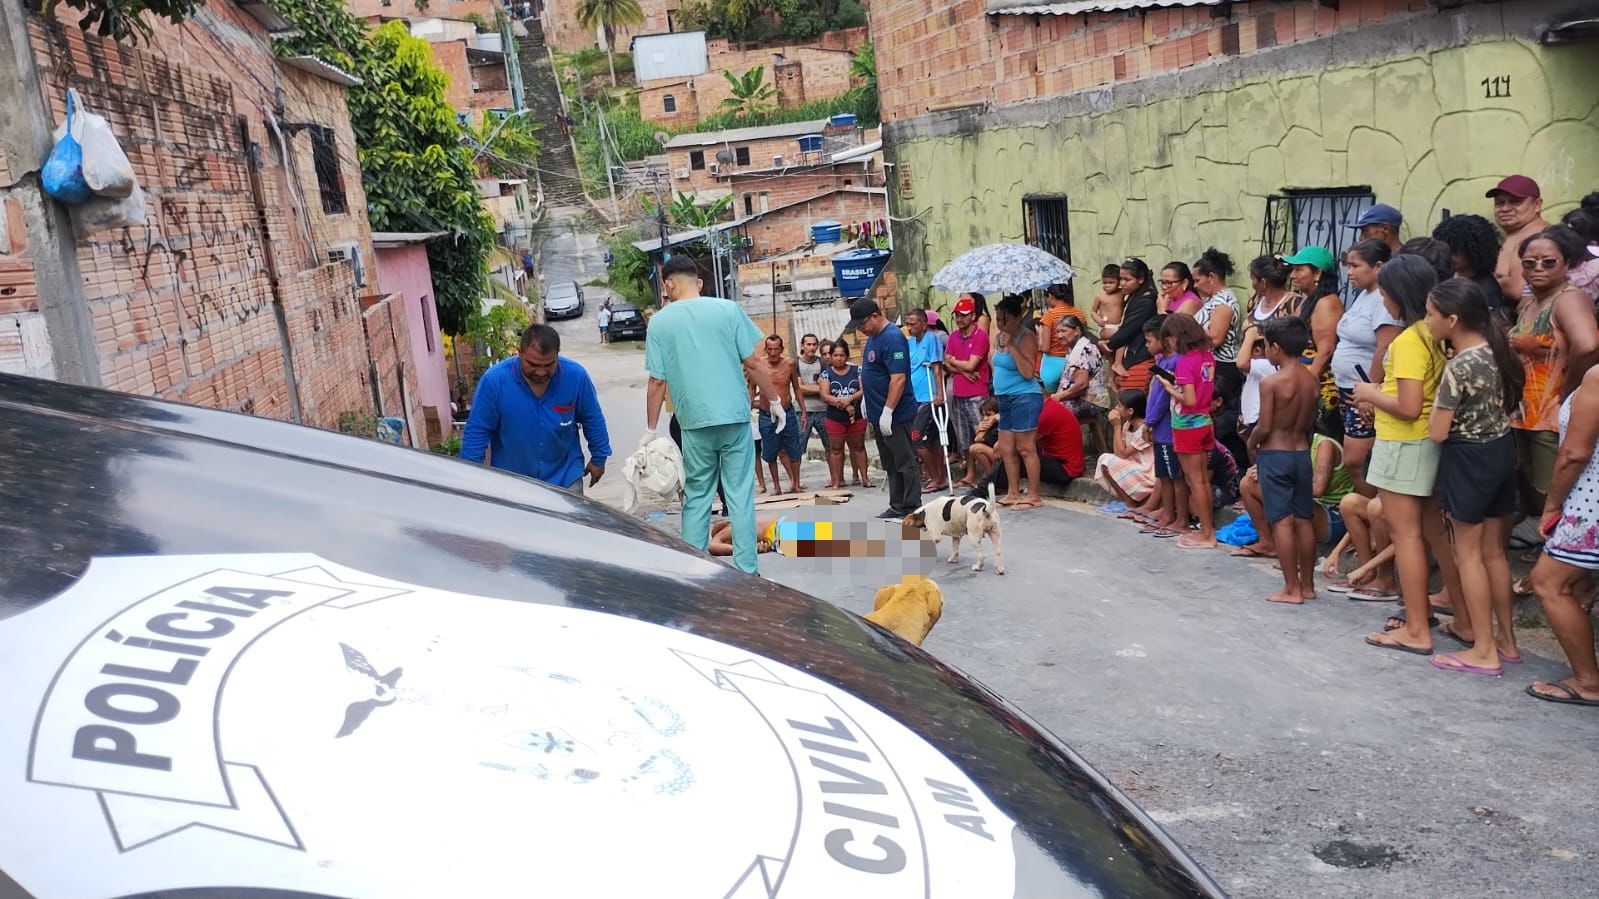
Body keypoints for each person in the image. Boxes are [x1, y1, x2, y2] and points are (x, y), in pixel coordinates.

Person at [645, 255, 784, 576]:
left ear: (667, 284)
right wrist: (774, 400)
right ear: (700, 282)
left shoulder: (660, 322)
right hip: (734, 417)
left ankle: (695, 571)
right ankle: (747, 570)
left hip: (694, 422)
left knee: (697, 496)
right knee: (740, 496)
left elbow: (656, 381)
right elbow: (753, 362)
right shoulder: (728, 310)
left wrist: (650, 428)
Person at [1425, 278, 1525, 676]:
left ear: (1452, 319)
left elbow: (1437, 431)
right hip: (1501, 452)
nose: (1427, 321)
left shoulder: (1459, 366)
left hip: (1468, 459)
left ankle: (1482, 649)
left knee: (1467, 555)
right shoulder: (1497, 352)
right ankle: (1507, 642)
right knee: (1494, 554)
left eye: (1431, 315)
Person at [1354, 256, 1449, 654]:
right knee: (1433, 534)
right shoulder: (1434, 334)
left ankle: (1416, 628)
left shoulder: (1408, 340)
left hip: (1404, 441)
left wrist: (1370, 393)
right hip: (1424, 442)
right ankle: (1450, 615)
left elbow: (1409, 406)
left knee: (1406, 536)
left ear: (1394, 295)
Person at [1510, 226, 1599, 571]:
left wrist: (1570, 392)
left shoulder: (1568, 298)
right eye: (1530, 262)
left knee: (1555, 488)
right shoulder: (1532, 300)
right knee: (1534, 482)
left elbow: (1589, 345)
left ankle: (1563, 565)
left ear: (1566, 264)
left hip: (1551, 411)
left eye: (1549, 262)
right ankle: (1550, 552)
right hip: (1528, 410)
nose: (1538, 269)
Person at [1527, 349, 1599, 706]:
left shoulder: (1597, 377)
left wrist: (1552, 504)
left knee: (1549, 581)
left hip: (1591, 501)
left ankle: (1588, 681)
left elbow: (1574, 452)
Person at [462, 324, 611, 493]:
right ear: (519, 353)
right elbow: (477, 430)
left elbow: (592, 418)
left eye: (548, 365)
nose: (541, 372)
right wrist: (471, 477)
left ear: (557, 354)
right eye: (533, 364)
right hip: (511, 484)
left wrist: (599, 458)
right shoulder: (495, 382)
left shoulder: (575, 376)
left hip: (565, 478)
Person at [1242, 317, 1322, 602]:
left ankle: (1291, 588)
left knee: (1282, 521)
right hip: (1301, 453)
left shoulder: (1272, 383)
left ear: (1275, 347)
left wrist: (1251, 444)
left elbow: (1264, 426)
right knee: (1303, 519)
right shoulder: (1312, 380)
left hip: (1276, 453)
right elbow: (1311, 423)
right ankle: (1308, 585)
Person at [1330, 239, 1400, 497]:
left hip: (1367, 391)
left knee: (1356, 460)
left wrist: (1371, 392)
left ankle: (1375, 514)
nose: (1349, 272)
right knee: (1356, 459)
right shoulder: (1363, 295)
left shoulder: (1384, 301)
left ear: (1378, 266)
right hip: (1350, 389)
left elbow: (1383, 349)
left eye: (1355, 266)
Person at [847, 298, 921, 519]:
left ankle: (911, 506)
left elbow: (898, 378)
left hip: (896, 414)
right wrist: (866, 401)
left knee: (905, 461)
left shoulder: (892, 338)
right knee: (890, 461)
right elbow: (871, 372)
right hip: (878, 412)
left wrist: (888, 410)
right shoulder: (872, 338)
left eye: (862, 324)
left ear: (874, 317)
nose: (860, 329)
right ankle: (897, 504)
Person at [1159, 313, 1219, 549]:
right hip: (1205, 422)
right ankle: (1207, 530)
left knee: (1195, 481)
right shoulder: (1207, 357)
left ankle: (1207, 533)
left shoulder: (1185, 361)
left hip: (1187, 425)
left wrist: (1169, 387)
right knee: (1202, 480)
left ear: (1176, 337)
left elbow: (1189, 399)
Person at [990, 294, 1045, 510]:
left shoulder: (1027, 337)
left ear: (1017, 318)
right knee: (1006, 447)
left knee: (1025, 447)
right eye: (998, 319)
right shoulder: (998, 338)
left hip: (1024, 396)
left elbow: (1028, 371)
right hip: (1005, 397)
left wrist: (1012, 345)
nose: (1001, 324)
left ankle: (1033, 494)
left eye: (1005, 320)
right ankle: (1013, 491)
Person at [1193, 248, 1246, 466]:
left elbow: (1215, 339)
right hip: (1213, 364)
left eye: (1198, 280)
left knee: (1221, 420)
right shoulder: (1213, 300)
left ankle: (1232, 465)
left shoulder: (1223, 302)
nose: (1195, 285)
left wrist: (1191, 334)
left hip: (1223, 366)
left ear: (1211, 277)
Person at [970, 395, 1083, 497]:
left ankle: (982, 491)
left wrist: (1000, 443)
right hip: (1055, 459)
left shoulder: (1045, 413)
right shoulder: (1046, 407)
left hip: (1066, 469)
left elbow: (1022, 442)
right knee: (1014, 456)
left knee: (1018, 456)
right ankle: (987, 489)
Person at [1284, 246, 1344, 437]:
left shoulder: (1326, 302)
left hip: (1320, 388)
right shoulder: (1308, 299)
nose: (1293, 275)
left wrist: (1307, 385)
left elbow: (1325, 349)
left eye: (1299, 269)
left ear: (1317, 273)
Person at [1136, 316, 1184, 536]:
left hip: (1167, 428)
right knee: (1163, 475)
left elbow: (1163, 399)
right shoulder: (1161, 362)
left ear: (1164, 340)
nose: (1146, 345)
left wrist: (1149, 423)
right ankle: (1167, 515)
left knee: (1175, 476)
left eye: (1149, 341)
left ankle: (1180, 519)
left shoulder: (1174, 362)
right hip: (1159, 428)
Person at [752, 335, 808, 495]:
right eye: (769, 349)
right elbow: (751, 389)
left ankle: (795, 483)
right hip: (766, 414)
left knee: (793, 449)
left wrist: (803, 411)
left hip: (787, 411)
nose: (773, 353)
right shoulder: (759, 365)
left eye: (776, 349)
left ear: (781, 349)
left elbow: (797, 388)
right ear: (765, 349)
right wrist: (747, 407)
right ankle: (776, 486)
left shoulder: (789, 364)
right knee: (770, 452)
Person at [944, 294, 991, 467]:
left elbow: (972, 365)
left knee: (980, 432)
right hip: (959, 391)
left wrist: (954, 362)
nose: (959, 319)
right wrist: (962, 371)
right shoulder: (954, 336)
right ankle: (970, 472)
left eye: (963, 315)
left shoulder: (980, 336)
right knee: (963, 436)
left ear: (972, 316)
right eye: (957, 315)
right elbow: (945, 362)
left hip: (977, 392)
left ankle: (988, 472)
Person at [905, 309, 949, 492]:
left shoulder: (932, 339)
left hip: (928, 398)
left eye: (913, 323)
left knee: (917, 440)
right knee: (930, 440)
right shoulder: (908, 343)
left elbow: (937, 368)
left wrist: (939, 394)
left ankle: (935, 478)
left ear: (924, 324)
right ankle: (939, 478)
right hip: (913, 397)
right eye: (907, 323)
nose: (909, 327)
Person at [1488, 174, 1549, 305]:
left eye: (1516, 202)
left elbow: (1516, 289)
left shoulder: (1538, 236)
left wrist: (1482, 279)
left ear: (1537, 205)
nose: (1505, 209)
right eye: (1499, 203)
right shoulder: (1516, 234)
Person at [820, 339, 871, 490]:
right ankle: (837, 481)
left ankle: (865, 478)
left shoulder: (858, 371)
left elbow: (863, 389)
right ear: (831, 356)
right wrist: (843, 404)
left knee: (859, 446)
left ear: (847, 356)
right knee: (836, 449)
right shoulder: (825, 374)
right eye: (835, 355)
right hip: (835, 417)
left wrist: (850, 399)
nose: (838, 358)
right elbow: (824, 395)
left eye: (842, 355)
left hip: (857, 415)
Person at [1103, 259, 1159, 391]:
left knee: (1131, 405)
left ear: (1140, 279)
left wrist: (1109, 344)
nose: (1122, 284)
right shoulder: (1133, 296)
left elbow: (1128, 330)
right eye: (1120, 279)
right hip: (1131, 357)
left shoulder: (1146, 301)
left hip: (1139, 358)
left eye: (1127, 280)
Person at [1432, 213, 1505, 315]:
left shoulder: (1486, 290)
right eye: (1448, 247)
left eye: (1458, 249)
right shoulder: (1445, 274)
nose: (1451, 254)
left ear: (1476, 250)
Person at [1096, 389, 1157, 508]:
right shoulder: (1128, 425)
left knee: (1106, 459)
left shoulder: (1143, 429)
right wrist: (1118, 427)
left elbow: (1123, 454)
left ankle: (1130, 502)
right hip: (1134, 464)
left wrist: (1116, 426)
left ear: (1130, 411)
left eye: (1119, 405)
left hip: (1147, 471)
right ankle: (1127, 499)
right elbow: (1118, 452)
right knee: (1105, 461)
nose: (1116, 408)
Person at [1052, 315, 1109, 422]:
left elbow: (1082, 385)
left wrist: (1059, 397)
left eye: (1063, 331)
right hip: (1080, 399)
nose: (1059, 335)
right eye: (1057, 332)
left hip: (1090, 401)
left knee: (1049, 413)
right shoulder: (1075, 347)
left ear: (1077, 331)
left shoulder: (1082, 350)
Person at [1037, 283, 1086, 395]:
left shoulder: (1049, 316)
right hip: (1076, 361)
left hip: (1053, 364)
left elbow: (1045, 347)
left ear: (1050, 296)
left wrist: (1039, 335)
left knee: (1053, 400)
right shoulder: (1079, 313)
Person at [795, 333, 830, 457]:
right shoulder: (795, 363)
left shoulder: (823, 363)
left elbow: (827, 387)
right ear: (802, 345)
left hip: (823, 410)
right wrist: (819, 389)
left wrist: (806, 387)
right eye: (808, 344)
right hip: (803, 411)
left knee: (831, 447)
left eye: (814, 344)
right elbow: (798, 388)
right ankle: (796, 477)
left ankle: (835, 477)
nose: (811, 347)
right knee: (798, 448)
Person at [956, 396, 1001, 489]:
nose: (985, 419)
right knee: (975, 448)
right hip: (996, 457)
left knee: (975, 448)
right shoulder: (991, 425)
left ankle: (991, 480)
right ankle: (990, 479)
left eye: (989, 415)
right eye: (983, 416)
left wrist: (981, 429)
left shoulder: (997, 427)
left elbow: (978, 439)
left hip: (1002, 458)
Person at [710, 516, 782, 557]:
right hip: (777, 528)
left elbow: (712, 546)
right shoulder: (739, 524)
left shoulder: (728, 529)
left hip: (774, 531)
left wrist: (747, 549)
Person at [1091, 264, 1125, 337]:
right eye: (1104, 282)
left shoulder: (1122, 293)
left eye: (1111, 282)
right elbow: (1093, 311)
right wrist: (1098, 320)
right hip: (1106, 326)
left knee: (1122, 347)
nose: (1107, 285)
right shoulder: (1100, 296)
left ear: (1119, 282)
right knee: (1121, 336)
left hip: (1120, 326)